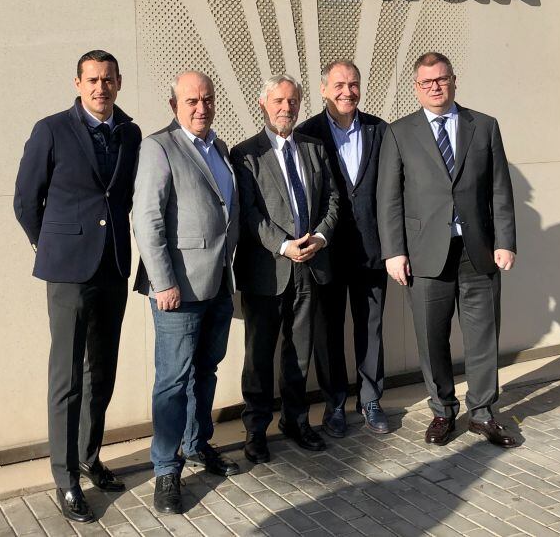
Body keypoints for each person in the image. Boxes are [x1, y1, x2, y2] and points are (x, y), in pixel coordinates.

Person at [12, 50, 142, 523]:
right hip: (68, 271)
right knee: (67, 378)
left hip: (112, 266)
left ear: (119, 83)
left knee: (101, 371)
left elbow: (124, 198)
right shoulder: (51, 129)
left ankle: (89, 456)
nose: (100, 87)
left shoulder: (130, 133)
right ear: (77, 83)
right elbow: (26, 200)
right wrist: (48, 244)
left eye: (108, 80)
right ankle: (66, 479)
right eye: (92, 80)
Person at [377, 51, 518, 448]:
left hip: (478, 252)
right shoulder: (399, 133)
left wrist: (505, 241)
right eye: (426, 82)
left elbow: (499, 189)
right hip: (425, 256)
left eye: (441, 79)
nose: (435, 87)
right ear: (416, 88)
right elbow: (389, 199)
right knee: (431, 337)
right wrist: (394, 251)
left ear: (454, 81)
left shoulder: (484, 126)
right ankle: (442, 410)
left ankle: (483, 413)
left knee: (482, 336)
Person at [133, 71, 242, 515]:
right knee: (173, 380)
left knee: (207, 370)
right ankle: (165, 468)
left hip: (217, 282)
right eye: (192, 100)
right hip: (177, 288)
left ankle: (198, 445)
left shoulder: (219, 148)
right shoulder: (159, 147)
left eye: (207, 99)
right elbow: (148, 219)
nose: (201, 107)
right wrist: (164, 283)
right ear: (175, 104)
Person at [231, 73, 340, 463]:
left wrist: (320, 239)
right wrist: (283, 246)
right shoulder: (245, 154)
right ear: (264, 104)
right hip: (267, 270)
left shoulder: (313, 148)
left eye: (292, 101)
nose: (286, 108)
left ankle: (295, 421)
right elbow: (249, 213)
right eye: (278, 101)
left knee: (300, 352)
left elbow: (332, 199)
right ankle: (256, 430)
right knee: (259, 357)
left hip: (309, 266)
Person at [296, 60, 391, 436]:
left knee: (371, 327)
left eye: (353, 84)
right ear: (323, 89)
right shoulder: (307, 134)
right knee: (328, 331)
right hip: (326, 253)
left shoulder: (380, 130)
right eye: (338, 85)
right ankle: (334, 404)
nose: (347, 91)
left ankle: (370, 399)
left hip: (371, 250)